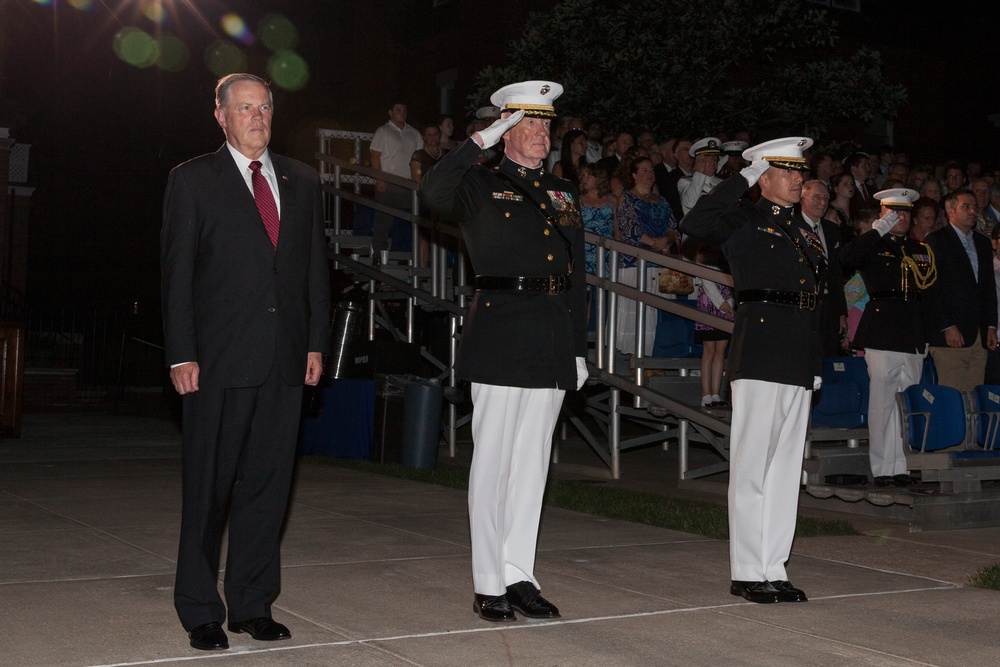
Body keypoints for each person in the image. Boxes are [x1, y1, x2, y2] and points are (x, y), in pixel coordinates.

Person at [161, 73, 331, 651]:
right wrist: (181, 351)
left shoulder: (303, 181)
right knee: (207, 490)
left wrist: (315, 343)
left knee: (267, 487)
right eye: (245, 107)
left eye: (264, 107)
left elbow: (314, 272)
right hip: (217, 363)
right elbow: (176, 275)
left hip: (284, 361)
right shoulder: (192, 181)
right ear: (221, 117)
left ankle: (253, 603)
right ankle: (200, 609)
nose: (257, 116)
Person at [418, 80, 587, 623]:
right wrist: (479, 139)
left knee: (532, 464)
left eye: (546, 125)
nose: (543, 134)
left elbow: (577, 275)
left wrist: (578, 346)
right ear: (508, 131)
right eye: (531, 125)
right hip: (500, 330)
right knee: (492, 462)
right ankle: (488, 581)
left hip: (551, 334)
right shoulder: (477, 183)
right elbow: (431, 193)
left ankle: (520, 575)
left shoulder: (562, 191)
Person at [681, 137, 822, 605]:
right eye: (788, 172)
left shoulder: (802, 228)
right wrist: (739, 177)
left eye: (800, 172)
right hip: (760, 350)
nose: (799, 178)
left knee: (784, 468)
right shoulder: (744, 219)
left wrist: (814, 360)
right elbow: (694, 222)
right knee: (752, 465)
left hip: (796, 353)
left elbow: (812, 298)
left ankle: (774, 567)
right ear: (764, 178)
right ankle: (746, 570)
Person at [840, 188, 936, 487]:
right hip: (882, 327)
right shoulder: (871, 244)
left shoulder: (918, 248)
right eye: (895, 212)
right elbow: (845, 259)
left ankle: (903, 465)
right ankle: (883, 468)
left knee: (906, 401)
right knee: (882, 401)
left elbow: (928, 292)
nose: (903, 218)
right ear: (883, 214)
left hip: (912, 329)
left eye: (906, 212)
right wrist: (874, 232)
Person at [923, 189, 998, 391]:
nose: (972, 211)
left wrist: (991, 325)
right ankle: (949, 424)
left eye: (974, 207)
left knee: (974, 396)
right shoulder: (936, 240)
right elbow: (932, 289)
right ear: (950, 209)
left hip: (978, 334)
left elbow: (988, 287)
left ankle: (970, 425)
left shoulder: (982, 242)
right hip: (952, 335)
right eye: (966, 206)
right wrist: (947, 325)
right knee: (952, 394)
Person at [615, 155, 677, 356]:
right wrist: (653, 242)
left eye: (651, 170)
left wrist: (665, 240)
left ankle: (656, 357)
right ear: (633, 175)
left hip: (660, 263)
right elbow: (628, 228)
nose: (649, 174)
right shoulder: (627, 198)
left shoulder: (661, 200)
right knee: (638, 313)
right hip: (637, 264)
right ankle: (637, 360)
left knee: (658, 315)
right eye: (644, 170)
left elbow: (673, 226)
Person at [800, 179, 848, 356]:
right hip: (803, 305)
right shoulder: (792, 227)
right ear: (802, 199)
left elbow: (836, 273)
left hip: (829, 307)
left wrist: (841, 312)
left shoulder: (832, 230)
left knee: (827, 357)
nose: (822, 202)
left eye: (826, 198)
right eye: (817, 197)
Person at [370, 99, 422, 252]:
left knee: (410, 221)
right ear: (390, 113)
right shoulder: (383, 131)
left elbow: (420, 158)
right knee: (383, 220)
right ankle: (379, 253)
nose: (402, 113)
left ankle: (407, 253)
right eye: (398, 110)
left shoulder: (414, 133)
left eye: (404, 110)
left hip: (409, 184)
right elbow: (374, 156)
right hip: (388, 182)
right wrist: (379, 178)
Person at [692, 242, 733, 407]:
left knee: (720, 352)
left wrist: (730, 303)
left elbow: (733, 282)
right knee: (709, 351)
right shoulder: (703, 254)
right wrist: (723, 305)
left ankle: (716, 394)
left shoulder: (728, 254)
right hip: (710, 307)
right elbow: (708, 285)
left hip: (727, 307)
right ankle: (706, 395)